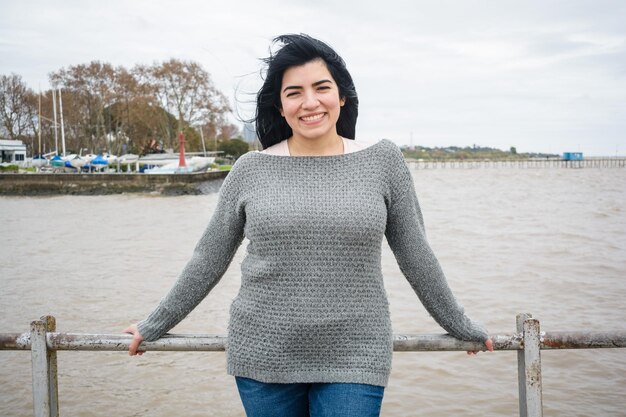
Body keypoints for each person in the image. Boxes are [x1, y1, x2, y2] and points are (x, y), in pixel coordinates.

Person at [124, 33, 493, 417]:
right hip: (264, 351)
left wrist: (459, 323)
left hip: (356, 350)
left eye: (322, 88)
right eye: (294, 92)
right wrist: (154, 325)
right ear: (281, 107)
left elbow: (417, 255)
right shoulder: (250, 170)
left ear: (343, 96)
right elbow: (207, 259)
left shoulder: (384, 161)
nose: (310, 102)